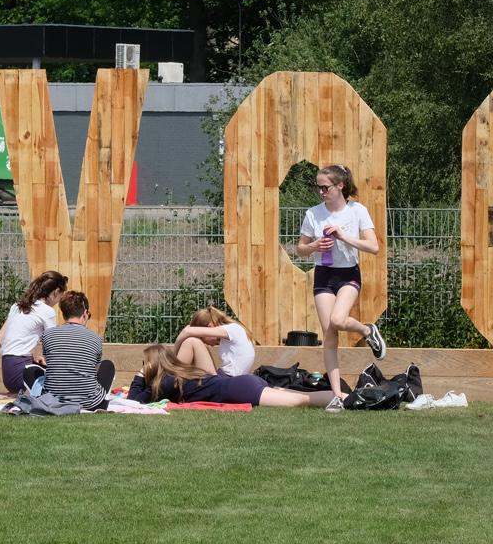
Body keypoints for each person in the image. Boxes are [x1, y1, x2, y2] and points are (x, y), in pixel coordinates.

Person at [298, 163, 386, 405]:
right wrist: (314, 246)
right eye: (318, 187)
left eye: (325, 188)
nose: (321, 192)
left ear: (340, 186)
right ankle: (337, 394)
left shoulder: (357, 211)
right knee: (329, 336)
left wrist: (343, 236)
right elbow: (300, 248)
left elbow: (374, 247)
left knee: (338, 320)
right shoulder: (313, 213)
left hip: (348, 275)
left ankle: (367, 331)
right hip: (323, 275)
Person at [127, 340, 335, 408]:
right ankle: (340, 396)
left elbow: (133, 401)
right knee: (297, 396)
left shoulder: (166, 382)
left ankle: (344, 400)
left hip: (240, 390)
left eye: (146, 364)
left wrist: (140, 375)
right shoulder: (180, 375)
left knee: (300, 401)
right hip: (242, 384)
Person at [36, 291, 114, 411]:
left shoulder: (48, 335)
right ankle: (99, 399)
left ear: (63, 314)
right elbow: (95, 368)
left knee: (32, 370)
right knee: (108, 365)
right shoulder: (96, 338)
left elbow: (50, 362)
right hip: (90, 403)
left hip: (53, 401)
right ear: (85, 313)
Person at [0, 269, 67, 394]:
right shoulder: (47, 311)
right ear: (56, 292)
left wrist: (30, 358)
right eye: (61, 296)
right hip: (23, 376)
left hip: (8, 375)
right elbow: (54, 347)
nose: (59, 300)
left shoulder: (16, 306)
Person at [172, 306, 255, 377]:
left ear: (210, 327)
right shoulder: (235, 330)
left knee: (191, 341)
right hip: (229, 378)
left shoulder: (232, 329)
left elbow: (186, 331)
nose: (204, 343)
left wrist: (172, 358)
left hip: (227, 379)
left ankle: (172, 379)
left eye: (202, 338)